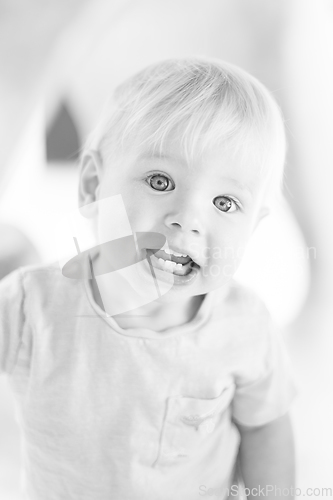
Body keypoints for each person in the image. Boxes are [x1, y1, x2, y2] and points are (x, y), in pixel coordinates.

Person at [0, 58, 297, 500]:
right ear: (91, 188)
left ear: (253, 227)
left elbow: (265, 429)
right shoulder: (30, 305)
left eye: (225, 202)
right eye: (160, 181)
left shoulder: (245, 328)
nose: (188, 219)